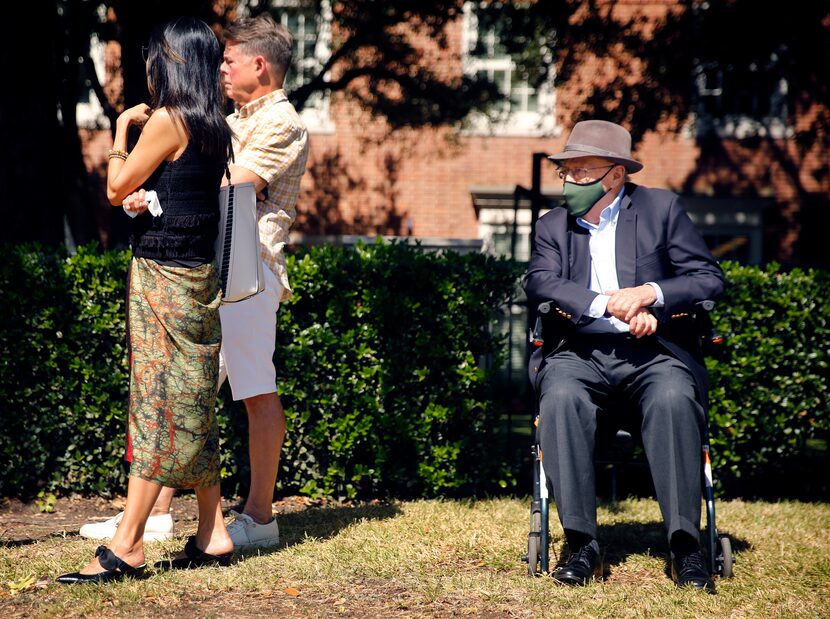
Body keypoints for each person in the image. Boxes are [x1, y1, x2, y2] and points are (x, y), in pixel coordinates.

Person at [79, 13, 309, 551]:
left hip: (250, 273)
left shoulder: (283, 122)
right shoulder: (225, 118)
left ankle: (259, 515)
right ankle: (160, 513)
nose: (220, 69)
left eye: (230, 60)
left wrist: (163, 173)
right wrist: (158, 193)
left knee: (253, 389)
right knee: (190, 391)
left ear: (259, 64)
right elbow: (190, 181)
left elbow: (230, 186)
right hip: (212, 264)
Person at [58, 16, 235, 583]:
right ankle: (213, 532)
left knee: (157, 403)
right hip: (200, 276)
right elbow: (180, 196)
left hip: (162, 276)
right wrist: (149, 198)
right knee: (193, 399)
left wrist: (119, 133)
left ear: (172, 62)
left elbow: (114, 190)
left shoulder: (167, 119)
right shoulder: (214, 124)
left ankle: (128, 543)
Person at [524, 120, 724, 592]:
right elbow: (540, 282)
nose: (571, 181)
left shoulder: (661, 209)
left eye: (581, 171)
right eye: (567, 172)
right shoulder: (553, 225)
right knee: (561, 398)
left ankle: (685, 548)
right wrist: (605, 303)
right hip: (580, 351)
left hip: (654, 353)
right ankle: (581, 545)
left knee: (675, 398)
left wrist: (651, 296)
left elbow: (707, 278)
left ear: (614, 175)